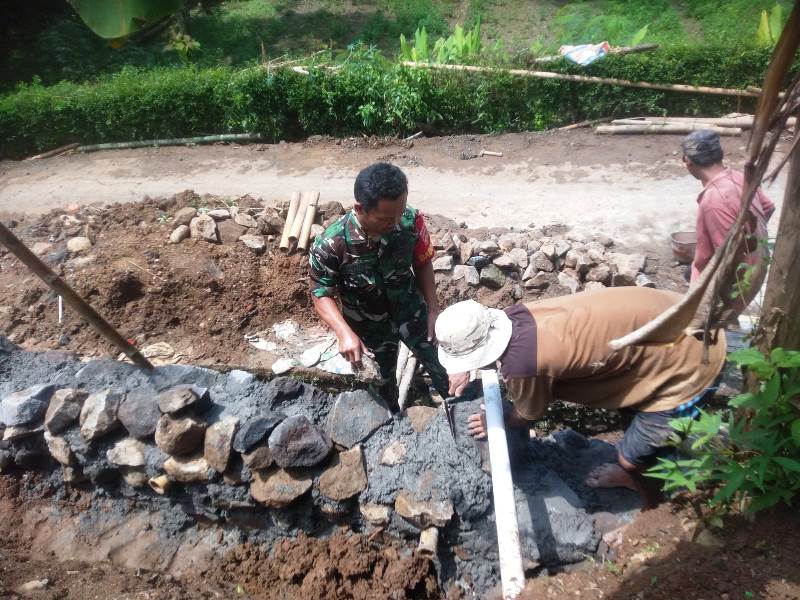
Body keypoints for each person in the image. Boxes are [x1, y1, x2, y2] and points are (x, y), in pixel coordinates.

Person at [435, 287, 726, 508]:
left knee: (631, 458)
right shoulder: (517, 317)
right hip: (672, 314)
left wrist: (496, 420)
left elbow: (529, 413)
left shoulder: (524, 365)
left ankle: (651, 510)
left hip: (688, 364)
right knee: (640, 434)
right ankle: (659, 466)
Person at [309, 162, 449, 409]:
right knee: (382, 390)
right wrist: (343, 333)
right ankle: (395, 423)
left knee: (445, 368)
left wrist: (434, 309)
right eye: (385, 218)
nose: (395, 223)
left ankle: (452, 408)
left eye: (400, 212)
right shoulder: (332, 244)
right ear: (360, 209)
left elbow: (423, 262)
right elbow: (320, 292)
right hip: (368, 330)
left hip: (412, 312)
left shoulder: (410, 220)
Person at [682, 129, 775, 311]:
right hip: (759, 265)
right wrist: (752, 232)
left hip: (738, 285)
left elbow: (721, 257)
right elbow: (769, 207)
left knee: (693, 324)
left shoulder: (712, 200)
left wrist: (696, 301)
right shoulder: (739, 177)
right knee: (689, 272)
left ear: (688, 161)